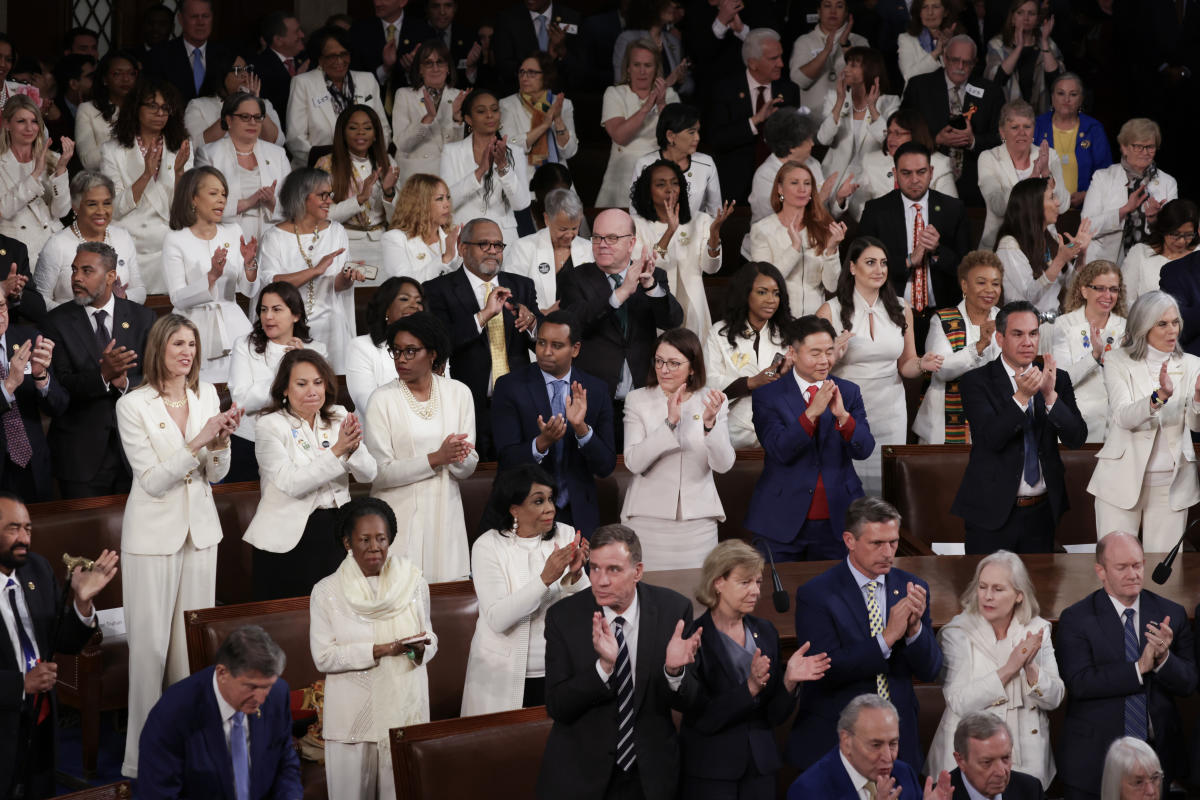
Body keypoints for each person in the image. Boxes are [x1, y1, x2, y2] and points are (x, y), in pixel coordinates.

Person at [117, 313, 243, 778]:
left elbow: (215, 474)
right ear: (158, 350)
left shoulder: (206, 394)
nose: (187, 352)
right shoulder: (134, 405)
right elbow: (150, 480)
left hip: (200, 533)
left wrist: (222, 443)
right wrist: (199, 440)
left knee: (193, 654)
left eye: (191, 344)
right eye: (177, 345)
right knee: (149, 653)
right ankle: (142, 762)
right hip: (151, 536)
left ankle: (191, 755)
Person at [536, 523, 702, 800]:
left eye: (613, 569)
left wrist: (674, 672)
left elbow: (693, 702)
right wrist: (602, 669)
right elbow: (557, 707)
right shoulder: (564, 618)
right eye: (595, 568)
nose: (600, 580)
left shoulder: (673, 610)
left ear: (637, 571)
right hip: (581, 776)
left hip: (649, 776)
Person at [788, 497, 943, 771]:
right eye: (877, 543)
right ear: (849, 540)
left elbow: (930, 671)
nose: (888, 552)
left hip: (899, 744)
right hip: (837, 742)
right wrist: (886, 638)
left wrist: (915, 630)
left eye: (893, 542)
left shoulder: (913, 587)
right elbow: (825, 669)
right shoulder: (817, 595)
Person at [684, 540, 832, 799]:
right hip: (711, 771)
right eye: (745, 582)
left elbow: (773, 716)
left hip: (761, 769)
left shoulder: (765, 632)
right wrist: (750, 687)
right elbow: (704, 717)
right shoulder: (695, 637)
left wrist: (788, 681)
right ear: (718, 582)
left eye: (758, 582)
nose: (755, 591)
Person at [310, 496, 435, 800]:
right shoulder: (326, 591)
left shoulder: (413, 582)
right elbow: (324, 657)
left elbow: (430, 635)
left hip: (404, 716)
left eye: (381, 538)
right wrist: (378, 650)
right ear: (347, 542)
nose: (374, 547)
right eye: (364, 539)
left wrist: (419, 649)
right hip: (353, 721)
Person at [1056, 531, 1197, 799]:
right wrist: (1138, 667)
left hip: (1156, 762)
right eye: (1122, 567)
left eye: (1137, 565)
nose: (1133, 574)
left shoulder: (1171, 614)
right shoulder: (1076, 618)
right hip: (1093, 759)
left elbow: (1189, 683)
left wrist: (1164, 658)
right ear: (1101, 571)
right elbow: (1079, 683)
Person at [0, 492, 116, 800]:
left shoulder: (35, 569)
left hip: (41, 720)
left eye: (28, 528)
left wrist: (82, 601)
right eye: (13, 528)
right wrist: (20, 684)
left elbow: (62, 640)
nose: (24, 537)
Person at [951, 300, 1087, 553]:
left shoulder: (1057, 378)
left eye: (1033, 333)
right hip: (991, 514)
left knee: (1040, 591)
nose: (1028, 342)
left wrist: (1050, 397)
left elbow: (1076, 438)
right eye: (1018, 334)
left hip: (1043, 512)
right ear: (1000, 338)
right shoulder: (975, 381)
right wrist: (1021, 397)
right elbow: (991, 438)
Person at [244, 349, 377, 600]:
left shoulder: (338, 415)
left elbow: (369, 474)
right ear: (284, 388)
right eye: (301, 384)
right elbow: (292, 483)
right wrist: (338, 450)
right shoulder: (269, 425)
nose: (312, 391)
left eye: (318, 383)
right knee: (293, 622)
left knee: (338, 614)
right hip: (288, 538)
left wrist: (353, 449)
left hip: (337, 530)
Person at [818, 237, 944, 495]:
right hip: (847, 411)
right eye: (870, 262)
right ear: (852, 267)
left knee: (886, 490)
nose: (879, 269)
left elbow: (906, 364)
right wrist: (834, 356)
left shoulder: (900, 307)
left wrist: (922, 363)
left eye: (884, 263)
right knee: (847, 491)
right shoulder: (830, 311)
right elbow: (814, 372)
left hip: (892, 410)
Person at [926, 551, 1064, 786]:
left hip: (1027, 759)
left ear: (1019, 595)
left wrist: (1030, 668)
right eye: (983, 587)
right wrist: (1010, 668)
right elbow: (959, 701)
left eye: (998, 589)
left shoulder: (1038, 630)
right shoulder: (957, 633)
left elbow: (1054, 698)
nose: (987, 596)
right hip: (969, 760)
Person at [462, 465, 590, 715]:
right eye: (539, 501)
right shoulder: (487, 546)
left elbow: (586, 609)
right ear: (514, 509)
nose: (550, 508)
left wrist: (577, 575)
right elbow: (498, 618)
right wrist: (544, 579)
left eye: (551, 499)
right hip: (501, 675)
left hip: (559, 670)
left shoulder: (564, 534)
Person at [745, 316, 874, 561]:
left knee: (837, 597)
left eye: (829, 352)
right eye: (815, 353)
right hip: (780, 521)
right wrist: (812, 412)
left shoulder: (848, 391)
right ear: (792, 353)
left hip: (839, 517)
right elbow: (779, 449)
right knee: (779, 596)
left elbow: (864, 449)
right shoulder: (768, 395)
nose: (824, 361)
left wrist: (843, 417)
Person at [365, 311, 478, 583]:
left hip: (445, 512)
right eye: (396, 351)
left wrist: (458, 458)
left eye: (411, 351)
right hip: (397, 515)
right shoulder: (382, 399)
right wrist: (437, 458)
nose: (401, 359)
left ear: (433, 354)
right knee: (400, 602)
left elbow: (468, 465)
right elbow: (379, 472)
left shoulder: (459, 393)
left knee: (446, 600)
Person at [1086, 292, 1200, 550]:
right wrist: (1158, 398)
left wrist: (1199, 398)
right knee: (1117, 566)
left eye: (1175, 322)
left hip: (1171, 485)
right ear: (1142, 327)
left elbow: (1195, 425)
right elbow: (1123, 416)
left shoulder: (1193, 364)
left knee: (1163, 575)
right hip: (1119, 482)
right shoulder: (1116, 360)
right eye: (1162, 324)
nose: (1172, 330)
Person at [136, 625, 303, 799]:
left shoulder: (277, 694)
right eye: (251, 687)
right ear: (222, 673)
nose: (261, 699)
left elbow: (285, 765)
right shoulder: (174, 711)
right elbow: (158, 793)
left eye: (267, 686)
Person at [44, 242, 156, 499]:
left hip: (135, 454)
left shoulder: (143, 318)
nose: (76, 278)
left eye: (86, 271)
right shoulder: (55, 322)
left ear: (110, 276)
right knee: (85, 537)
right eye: (74, 271)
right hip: (80, 459)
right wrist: (102, 376)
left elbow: (156, 378)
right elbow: (61, 385)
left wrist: (124, 383)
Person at [492, 312, 616, 538]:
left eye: (556, 345)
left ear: (575, 349)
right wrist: (541, 443)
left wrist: (582, 430)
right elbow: (506, 458)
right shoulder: (510, 386)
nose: (546, 351)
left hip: (578, 516)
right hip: (525, 516)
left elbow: (606, 466)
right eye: (541, 343)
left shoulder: (596, 390)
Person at [422, 217, 538, 458]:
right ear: (463, 248)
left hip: (517, 405)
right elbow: (440, 344)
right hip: (468, 407)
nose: (493, 251)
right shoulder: (437, 289)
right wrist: (483, 316)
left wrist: (533, 324)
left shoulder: (522, 286)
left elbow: (542, 345)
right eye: (484, 244)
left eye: (498, 245)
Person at [621, 328, 733, 569]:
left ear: (692, 367)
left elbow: (723, 465)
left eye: (674, 363)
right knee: (650, 598)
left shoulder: (713, 401)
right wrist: (669, 423)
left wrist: (709, 425)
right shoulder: (638, 400)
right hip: (647, 520)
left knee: (697, 596)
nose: (664, 369)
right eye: (659, 361)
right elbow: (634, 462)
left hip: (698, 523)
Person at [559, 209, 684, 404]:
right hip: (593, 396)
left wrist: (651, 287)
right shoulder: (574, 278)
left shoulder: (652, 275)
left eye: (612, 238)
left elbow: (673, 321)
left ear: (631, 243)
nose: (602, 245)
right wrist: (620, 293)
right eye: (597, 237)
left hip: (644, 394)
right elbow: (575, 324)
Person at [858, 141, 971, 345]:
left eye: (921, 172)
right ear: (895, 173)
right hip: (891, 315)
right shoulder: (876, 211)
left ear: (931, 171)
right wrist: (908, 261)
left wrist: (937, 251)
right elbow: (862, 267)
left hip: (944, 314)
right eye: (906, 173)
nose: (915, 180)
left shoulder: (953, 209)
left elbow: (967, 268)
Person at [258, 167, 363, 373]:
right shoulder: (274, 237)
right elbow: (272, 285)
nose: (329, 201)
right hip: (288, 328)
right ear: (301, 197)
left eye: (330, 194)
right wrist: (315, 271)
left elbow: (337, 286)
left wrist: (347, 277)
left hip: (330, 324)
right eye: (322, 195)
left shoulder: (336, 231)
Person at [162, 166, 259, 383]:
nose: (221, 200)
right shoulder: (176, 239)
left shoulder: (233, 232)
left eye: (224, 194)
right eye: (213, 194)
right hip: (192, 331)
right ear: (193, 198)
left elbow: (249, 290)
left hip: (235, 328)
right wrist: (212, 276)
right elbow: (177, 297)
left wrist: (249, 263)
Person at [101, 76, 194, 295]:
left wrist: (180, 172)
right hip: (132, 241)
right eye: (153, 106)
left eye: (165, 108)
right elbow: (114, 207)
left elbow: (185, 209)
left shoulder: (180, 146)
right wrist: (145, 175)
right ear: (136, 108)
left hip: (168, 240)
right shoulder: (113, 150)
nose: (160, 113)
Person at [227, 282, 327, 482]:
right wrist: (290, 371)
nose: (268, 316)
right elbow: (242, 400)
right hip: (250, 441)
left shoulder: (316, 350)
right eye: (263, 310)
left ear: (296, 315)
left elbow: (315, 402)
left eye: (276, 309)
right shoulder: (244, 346)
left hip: (298, 440)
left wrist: (301, 363)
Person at [630, 160, 731, 335]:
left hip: (693, 308)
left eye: (675, 183)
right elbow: (645, 269)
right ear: (648, 190)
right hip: (655, 309)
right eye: (661, 184)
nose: (670, 189)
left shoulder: (701, 220)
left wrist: (714, 236)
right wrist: (670, 231)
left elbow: (711, 268)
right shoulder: (636, 225)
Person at [899, 35, 1003, 206]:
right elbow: (903, 134)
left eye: (967, 62)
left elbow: (1002, 138)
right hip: (928, 184)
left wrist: (973, 141)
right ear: (945, 58)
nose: (960, 67)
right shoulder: (919, 87)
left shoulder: (991, 92)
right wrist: (935, 140)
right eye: (955, 60)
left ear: (975, 62)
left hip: (976, 188)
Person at [786, 694, 953, 800]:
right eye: (876, 745)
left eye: (893, 743)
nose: (888, 757)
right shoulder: (809, 790)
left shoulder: (904, 774)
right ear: (846, 741)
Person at [914, 252, 1003, 444]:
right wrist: (979, 346)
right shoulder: (942, 320)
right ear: (964, 285)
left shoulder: (1007, 321)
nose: (990, 290)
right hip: (944, 428)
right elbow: (941, 369)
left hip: (994, 423)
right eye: (981, 282)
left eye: (995, 284)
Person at [704, 262, 793, 449]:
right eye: (762, 292)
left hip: (779, 431)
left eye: (776, 293)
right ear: (745, 294)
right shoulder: (719, 332)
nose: (771, 300)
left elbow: (786, 379)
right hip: (732, 433)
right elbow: (709, 382)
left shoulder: (789, 332)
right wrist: (751, 382)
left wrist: (784, 375)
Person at [707, 29, 800, 205]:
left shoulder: (789, 90)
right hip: (736, 186)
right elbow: (717, 138)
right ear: (753, 63)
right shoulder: (725, 90)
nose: (781, 63)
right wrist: (754, 121)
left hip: (779, 184)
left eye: (781, 56)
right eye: (773, 59)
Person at [34, 171, 146, 309]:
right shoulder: (57, 244)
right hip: (71, 327)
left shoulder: (123, 237)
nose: (101, 211)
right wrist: (75, 317)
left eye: (107, 203)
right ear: (75, 207)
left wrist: (122, 298)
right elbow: (39, 299)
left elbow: (140, 291)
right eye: (92, 204)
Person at [748, 160, 844, 317]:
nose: (802, 189)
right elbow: (766, 282)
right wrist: (794, 247)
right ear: (780, 189)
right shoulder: (762, 229)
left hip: (815, 322)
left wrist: (832, 250)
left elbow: (832, 286)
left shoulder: (824, 226)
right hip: (779, 321)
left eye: (807, 184)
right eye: (794, 183)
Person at [286, 25, 390, 169]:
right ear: (320, 59)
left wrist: (368, 159)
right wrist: (328, 163)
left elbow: (382, 128)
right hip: (318, 171)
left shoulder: (367, 80)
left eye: (344, 54)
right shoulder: (303, 83)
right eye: (331, 56)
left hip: (365, 167)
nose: (339, 61)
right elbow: (295, 138)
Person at [194, 92, 291, 243]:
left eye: (257, 117)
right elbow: (203, 205)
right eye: (245, 117)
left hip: (272, 238)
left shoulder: (277, 154)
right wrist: (248, 202)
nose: (253, 122)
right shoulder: (209, 154)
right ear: (229, 120)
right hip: (224, 238)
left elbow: (293, 205)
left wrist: (272, 202)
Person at [1082, 118, 1178, 268]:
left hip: (1149, 266)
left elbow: (1174, 235)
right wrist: (1123, 211)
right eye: (1138, 146)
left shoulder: (1168, 182)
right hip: (1103, 265)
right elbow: (1086, 227)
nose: (1145, 152)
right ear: (1124, 147)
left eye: (1150, 147)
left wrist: (1154, 219)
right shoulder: (1103, 178)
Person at [314, 104, 400, 271]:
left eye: (367, 128)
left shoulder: (387, 162)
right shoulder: (326, 164)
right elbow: (321, 216)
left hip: (382, 243)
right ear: (343, 133)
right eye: (353, 127)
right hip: (344, 244)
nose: (361, 133)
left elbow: (398, 220)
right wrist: (359, 199)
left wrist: (389, 193)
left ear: (375, 134)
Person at [595, 39, 680, 208]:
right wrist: (648, 105)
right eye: (636, 65)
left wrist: (661, 103)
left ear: (656, 69)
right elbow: (620, 136)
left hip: (660, 173)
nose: (642, 71)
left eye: (648, 65)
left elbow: (677, 141)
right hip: (622, 176)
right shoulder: (615, 93)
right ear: (628, 67)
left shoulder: (670, 96)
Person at [440, 89, 530, 244]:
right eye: (481, 111)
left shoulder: (515, 152)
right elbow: (446, 202)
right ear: (468, 119)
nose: (490, 115)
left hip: (504, 239)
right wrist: (479, 171)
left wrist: (503, 168)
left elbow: (521, 203)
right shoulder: (451, 152)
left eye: (494, 110)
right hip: (465, 236)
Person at [978, 100, 1069, 250]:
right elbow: (997, 206)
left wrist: (1046, 173)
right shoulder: (988, 158)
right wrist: (1032, 178)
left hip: (1043, 246)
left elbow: (1063, 206)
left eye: (1027, 126)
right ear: (1002, 131)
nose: (1022, 133)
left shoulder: (1049, 156)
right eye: (1014, 127)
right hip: (1000, 247)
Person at [1051, 261, 1126, 443]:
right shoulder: (1064, 325)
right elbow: (1059, 380)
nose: (1107, 295)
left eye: (1113, 289)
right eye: (1100, 288)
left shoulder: (1126, 327)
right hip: (1077, 423)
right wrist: (1093, 357)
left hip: (1115, 426)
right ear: (1084, 291)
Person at [0, 301, 66, 502]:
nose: (0, 315)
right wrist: (8, 385)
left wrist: (41, 376)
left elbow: (59, 405)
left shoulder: (27, 339)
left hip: (33, 462)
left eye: (1, 306)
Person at [815, 47, 899, 205]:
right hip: (834, 177)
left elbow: (888, 142)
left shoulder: (889, 102)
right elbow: (823, 139)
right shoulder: (834, 98)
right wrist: (840, 103)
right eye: (847, 64)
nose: (846, 69)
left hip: (870, 180)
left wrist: (873, 108)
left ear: (870, 69)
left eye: (853, 65)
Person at [0, 95, 71, 267]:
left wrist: (61, 170)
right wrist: (35, 174)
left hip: (54, 245)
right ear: (7, 124)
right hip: (18, 249)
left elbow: (61, 211)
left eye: (34, 121)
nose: (29, 128)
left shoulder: (53, 159)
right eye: (21, 121)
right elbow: (4, 210)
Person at [856, 110, 959, 220]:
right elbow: (859, 206)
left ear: (915, 134)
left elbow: (951, 211)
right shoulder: (871, 161)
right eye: (889, 132)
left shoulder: (939, 164)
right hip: (880, 232)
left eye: (898, 133)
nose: (891, 138)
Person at [504, 187, 592, 313]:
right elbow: (511, 294)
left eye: (574, 228)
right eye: (563, 229)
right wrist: (541, 314)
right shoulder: (523, 247)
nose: (569, 235)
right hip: (538, 327)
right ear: (547, 219)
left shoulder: (588, 248)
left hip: (581, 326)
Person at [391, 40, 465, 187]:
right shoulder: (404, 95)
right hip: (415, 177)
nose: (435, 68)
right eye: (428, 63)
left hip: (451, 177)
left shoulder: (460, 96)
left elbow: (461, 149)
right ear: (420, 69)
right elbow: (402, 145)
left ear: (448, 68)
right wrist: (427, 119)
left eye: (440, 62)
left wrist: (457, 121)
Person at [345, 277, 422, 415]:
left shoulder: (432, 347)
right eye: (405, 299)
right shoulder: (361, 347)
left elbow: (444, 398)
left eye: (419, 301)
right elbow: (370, 407)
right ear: (386, 308)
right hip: (381, 432)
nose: (414, 305)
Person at [1033, 73, 1112, 208]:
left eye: (1073, 94)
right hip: (1042, 208)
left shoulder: (1093, 129)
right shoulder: (1037, 125)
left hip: (1084, 209)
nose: (1066, 99)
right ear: (1052, 97)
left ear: (1081, 99)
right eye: (1061, 93)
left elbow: (1106, 173)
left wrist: (1086, 195)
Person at [630, 103, 721, 219]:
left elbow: (715, 213)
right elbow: (636, 214)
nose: (697, 137)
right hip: (655, 236)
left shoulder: (707, 163)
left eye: (698, 132)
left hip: (696, 235)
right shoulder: (645, 164)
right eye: (691, 132)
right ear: (670, 136)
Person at [183, 50, 285, 148]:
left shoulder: (264, 104)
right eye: (238, 70)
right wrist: (234, 105)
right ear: (221, 74)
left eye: (247, 69)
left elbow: (276, 142)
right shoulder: (197, 106)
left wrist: (256, 105)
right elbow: (196, 146)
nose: (245, 75)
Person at [788, 0, 868, 120]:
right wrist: (826, 51)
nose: (833, 11)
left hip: (849, 119)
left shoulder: (859, 42)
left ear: (846, 12)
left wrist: (845, 45)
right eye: (827, 6)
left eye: (839, 6)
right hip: (812, 121)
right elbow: (799, 81)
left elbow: (866, 79)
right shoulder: (804, 42)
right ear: (819, 11)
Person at [347, 0, 432, 111]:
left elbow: (433, 79)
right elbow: (354, 77)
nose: (377, 3)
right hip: (370, 107)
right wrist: (385, 69)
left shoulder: (423, 31)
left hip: (412, 109)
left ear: (402, 2)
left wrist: (413, 69)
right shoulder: (359, 31)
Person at [501, 51, 579, 169]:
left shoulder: (563, 104)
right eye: (521, 72)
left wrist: (557, 120)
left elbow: (569, 152)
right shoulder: (507, 104)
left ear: (546, 75)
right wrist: (544, 126)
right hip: (524, 178)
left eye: (531, 73)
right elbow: (510, 144)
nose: (524, 77)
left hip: (558, 177)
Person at [983, 0, 1062, 113]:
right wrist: (1019, 48)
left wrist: (1044, 42)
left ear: (1037, 19)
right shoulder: (997, 45)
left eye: (1031, 13)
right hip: (1008, 117)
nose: (1026, 18)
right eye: (1020, 12)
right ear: (1013, 18)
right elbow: (996, 80)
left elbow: (1057, 82)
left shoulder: (1048, 44)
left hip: (1041, 115)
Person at [491, 0, 584, 97]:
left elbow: (580, 71)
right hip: (520, 99)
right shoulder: (507, 19)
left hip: (561, 98)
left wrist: (562, 53)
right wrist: (544, 63)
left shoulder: (572, 18)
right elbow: (505, 66)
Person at [146, 0, 232, 104]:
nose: (200, 22)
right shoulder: (158, 55)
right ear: (181, 19)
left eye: (205, 16)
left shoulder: (226, 55)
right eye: (194, 16)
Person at [748, 108, 822, 227]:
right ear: (791, 146)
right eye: (808, 140)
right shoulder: (765, 175)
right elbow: (774, 222)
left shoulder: (814, 164)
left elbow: (825, 214)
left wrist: (839, 200)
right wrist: (820, 199)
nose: (813, 144)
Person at [382, 173, 460, 285]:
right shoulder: (394, 238)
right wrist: (445, 259)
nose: (447, 204)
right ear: (419, 203)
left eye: (447, 197)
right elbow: (404, 285)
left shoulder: (452, 236)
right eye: (439, 199)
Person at [946, 713, 1048, 799]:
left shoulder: (1030, 789)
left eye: (1006, 758)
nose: (1001, 772)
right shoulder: (938, 795)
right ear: (961, 761)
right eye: (987, 762)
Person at [612, 0, 692, 99]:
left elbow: (688, 87)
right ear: (652, 5)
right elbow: (621, 84)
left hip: (669, 109)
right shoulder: (628, 39)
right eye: (667, 2)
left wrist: (681, 80)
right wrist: (668, 82)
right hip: (637, 110)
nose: (674, 5)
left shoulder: (673, 41)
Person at [74, 50, 139, 172]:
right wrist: (124, 137)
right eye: (117, 74)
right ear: (104, 79)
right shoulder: (88, 109)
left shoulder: (145, 109)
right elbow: (88, 161)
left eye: (131, 73)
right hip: (103, 183)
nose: (126, 79)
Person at [1124, 199, 1200, 301]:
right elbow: (1125, 301)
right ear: (1163, 229)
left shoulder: (1197, 253)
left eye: (1189, 235)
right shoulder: (1140, 254)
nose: (1182, 241)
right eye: (1175, 234)